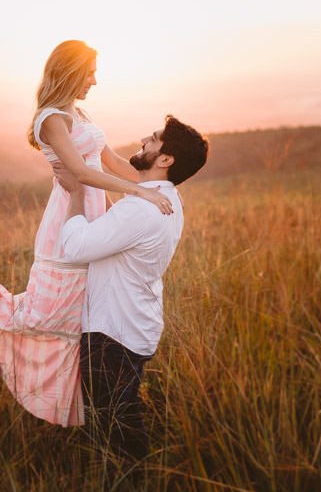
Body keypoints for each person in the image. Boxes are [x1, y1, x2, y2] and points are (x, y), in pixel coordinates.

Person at [0, 40, 173, 427]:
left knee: (71, 326)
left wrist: (164, 184)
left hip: (95, 227)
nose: (95, 80)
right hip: (65, 226)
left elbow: (110, 161)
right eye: (90, 71)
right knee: (44, 316)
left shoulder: (80, 113)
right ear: (70, 71)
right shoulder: (50, 119)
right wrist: (138, 191)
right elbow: (80, 173)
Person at [54, 115, 209, 460]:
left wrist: (78, 193)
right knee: (118, 417)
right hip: (134, 326)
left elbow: (76, 247)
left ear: (165, 159)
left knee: (115, 430)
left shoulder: (142, 208)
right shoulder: (163, 200)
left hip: (113, 334)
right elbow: (119, 232)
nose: (143, 139)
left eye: (153, 139)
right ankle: (130, 483)